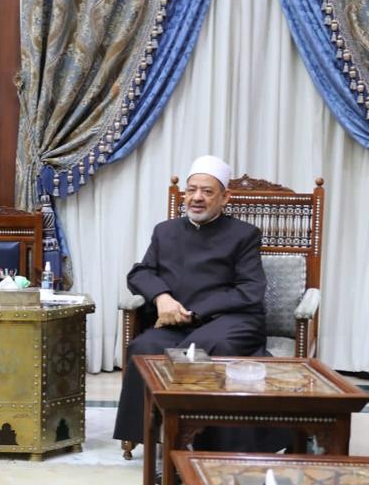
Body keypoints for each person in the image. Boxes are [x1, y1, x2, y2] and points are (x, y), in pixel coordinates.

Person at [112, 155, 278, 454]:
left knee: (202, 349)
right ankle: (152, 435)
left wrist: (194, 312)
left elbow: (250, 290)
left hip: (230, 321)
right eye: (191, 190)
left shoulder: (244, 235)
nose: (197, 197)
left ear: (225, 197)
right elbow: (141, 272)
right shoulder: (165, 231)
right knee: (144, 347)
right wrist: (162, 298)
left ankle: (200, 444)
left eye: (207, 191)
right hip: (176, 323)